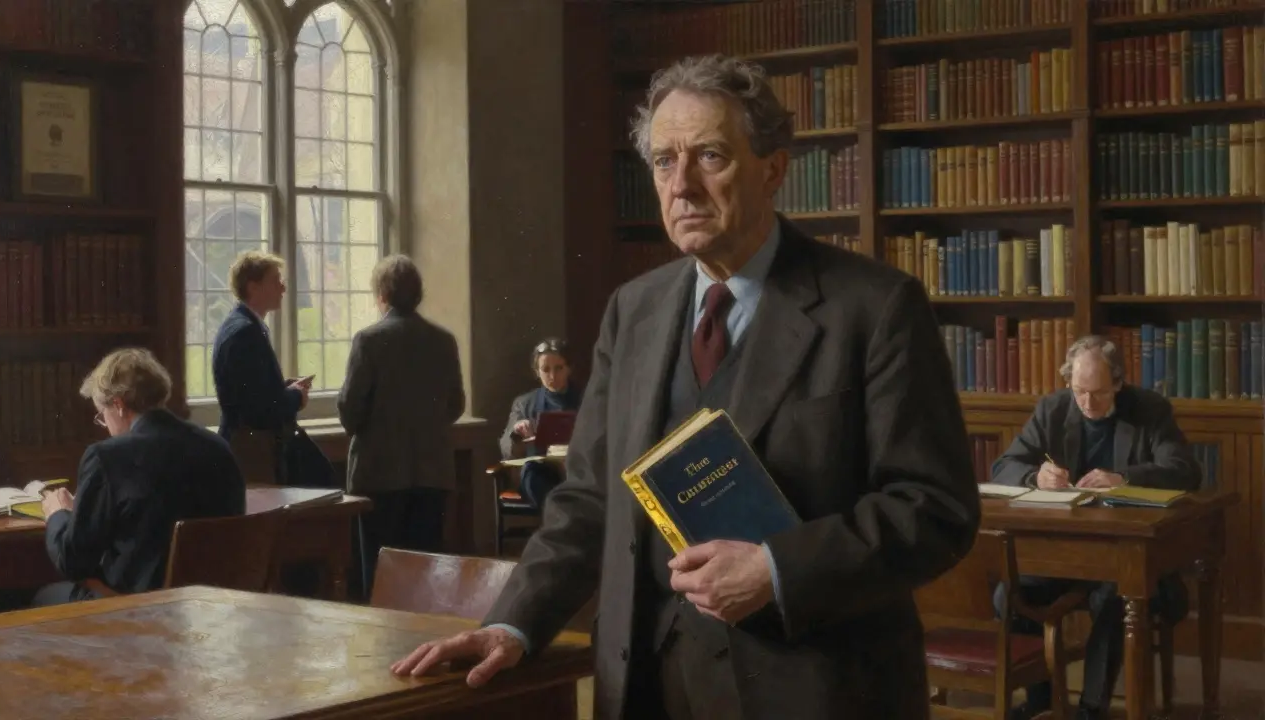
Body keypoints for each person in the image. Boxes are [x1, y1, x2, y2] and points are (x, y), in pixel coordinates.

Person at [391, 54, 979, 720]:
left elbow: (934, 508)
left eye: (710, 157)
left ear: (773, 170)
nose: (682, 186)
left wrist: (776, 570)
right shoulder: (632, 309)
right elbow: (588, 499)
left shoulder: (875, 307)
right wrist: (513, 623)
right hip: (645, 684)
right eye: (664, 162)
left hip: (815, 688)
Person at [990, 335, 1201, 720]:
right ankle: (1041, 696)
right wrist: (1036, 477)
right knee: (1009, 593)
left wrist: (1124, 478)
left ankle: (1091, 709)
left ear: (1118, 383)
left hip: (1128, 557)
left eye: (1099, 393)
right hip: (1067, 553)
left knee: (1114, 596)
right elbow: (1003, 466)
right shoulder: (1054, 408)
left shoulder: (1149, 409)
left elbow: (1184, 471)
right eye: (1079, 391)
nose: (1087, 403)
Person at [34, 348, 245, 607]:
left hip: (140, 610)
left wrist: (58, 514)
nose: (106, 426)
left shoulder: (107, 457)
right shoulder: (218, 447)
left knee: (39, 597)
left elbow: (72, 562)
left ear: (119, 405)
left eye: (102, 416)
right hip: (211, 607)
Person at [337, 254, 465, 599]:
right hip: (433, 472)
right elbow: (455, 404)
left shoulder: (369, 340)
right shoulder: (443, 340)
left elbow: (350, 410)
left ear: (382, 294)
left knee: (380, 576)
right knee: (424, 575)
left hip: (379, 474)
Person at [211, 250, 321, 485]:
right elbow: (258, 408)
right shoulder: (245, 332)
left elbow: (253, 391)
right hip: (251, 447)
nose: (283, 288)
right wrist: (296, 397)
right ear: (253, 287)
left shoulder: (242, 325)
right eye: (275, 280)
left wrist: (283, 388)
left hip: (247, 441)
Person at [499, 337, 581, 508]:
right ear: (537, 371)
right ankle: (558, 514)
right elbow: (506, 448)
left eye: (559, 368)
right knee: (531, 473)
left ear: (569, 369)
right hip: (540, 472)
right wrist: (517, 432)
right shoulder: (524, 403)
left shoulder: (586, 400)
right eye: (545, 369)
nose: (552, 376)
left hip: (576, 469)